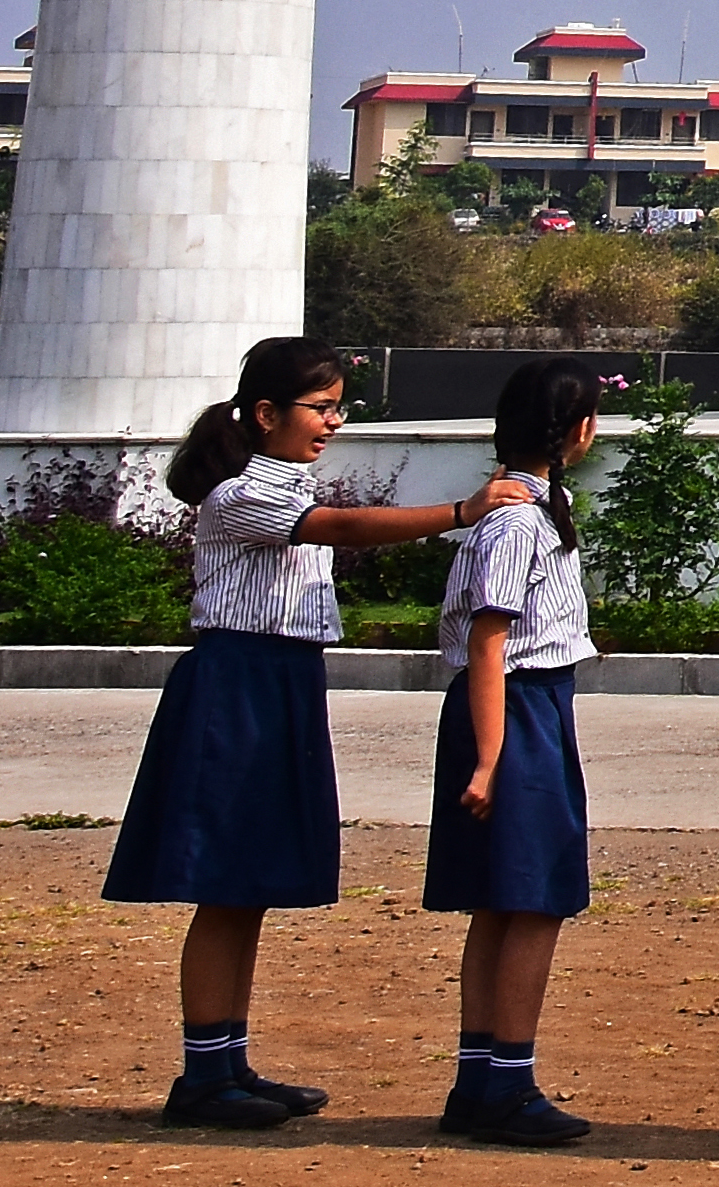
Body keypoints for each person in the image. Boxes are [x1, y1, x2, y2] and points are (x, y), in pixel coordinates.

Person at [109, 337, 540, 1130]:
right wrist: (459, 512)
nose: (334, 422)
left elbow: (329, 520)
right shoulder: (243, 493)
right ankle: (204, 1074)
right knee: (224, 884)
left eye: (339, 406)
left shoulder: (284, 481)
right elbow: (337, 527)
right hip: (238, 682)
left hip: (281, 678)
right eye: (321, 407)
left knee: (249, 884)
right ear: (267, 413)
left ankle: (226, 1061)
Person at [428, 360, 615, 1146]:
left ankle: (484, 1081)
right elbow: (489, 638)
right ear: (579, 432)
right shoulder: (515, 522)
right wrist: (491, 757)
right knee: (533, 901)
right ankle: (505, 1082)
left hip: (527, 708)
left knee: (506, 900)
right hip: (516, 711)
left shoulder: (536, 509)